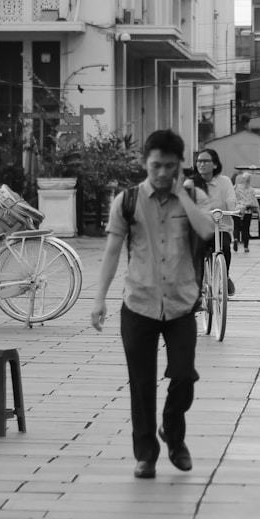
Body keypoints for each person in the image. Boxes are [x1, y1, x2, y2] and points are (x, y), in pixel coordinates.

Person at [89, 130, 219, 480]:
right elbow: (113, 252)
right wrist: (99, 299)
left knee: (184, 376)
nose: (162, 173)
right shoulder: (127, 201)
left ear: (180, 166)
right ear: (145, 163)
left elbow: (207, 231)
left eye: (170, 167)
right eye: (156, 165)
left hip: (181, 305)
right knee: (141, 383)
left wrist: (183, 196)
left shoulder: (194, 195)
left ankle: (173, 433)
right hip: (139, 305)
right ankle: (145, 454)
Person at [189, 149, 237, 294]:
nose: (201, 164)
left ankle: (224, 276)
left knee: (225, 247)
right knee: (196, 250)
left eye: (205, 161)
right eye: (199, 161)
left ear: (215, 164)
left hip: (221, 226)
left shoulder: (225, 181)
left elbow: (231, 200)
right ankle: (197, 287)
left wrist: (235, 208)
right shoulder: (191, 183)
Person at [231, 171, 259, 253]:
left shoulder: (236, 187)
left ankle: (236, 239)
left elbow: (231, 198)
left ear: (242, 179)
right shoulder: (251, 190)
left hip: (237, 210)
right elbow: (254, 201)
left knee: (236, 227)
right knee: (246, 229)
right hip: (247, 210)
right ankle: (246, 246)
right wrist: (259, 212)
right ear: (249, 180)